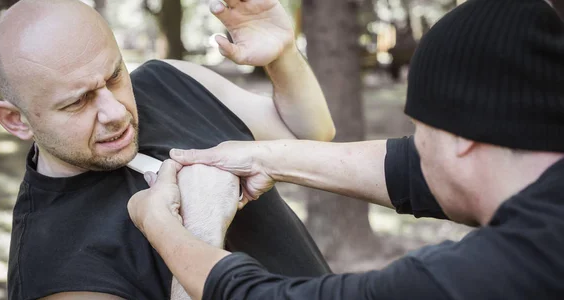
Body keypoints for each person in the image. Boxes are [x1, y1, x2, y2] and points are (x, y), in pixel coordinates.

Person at [128, 0, 564, 299]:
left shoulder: (514, 267)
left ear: (469, 135)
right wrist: (263, 157)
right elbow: (408, 170)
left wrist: (164, 227)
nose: (415, 146)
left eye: (420, 129)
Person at [0, 0, 336, 299]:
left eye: (114, 77)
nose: (116, 112)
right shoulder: (53, 268)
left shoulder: (168, 80)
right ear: (16, 120)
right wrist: (201, 224)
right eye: (78, 102)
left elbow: (309, 135)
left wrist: (283, 56)